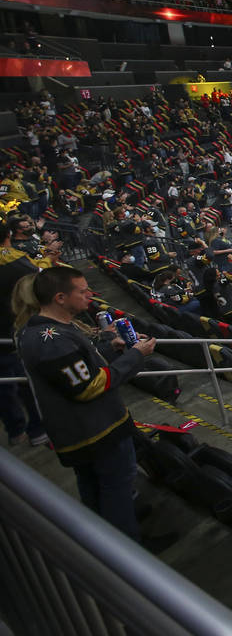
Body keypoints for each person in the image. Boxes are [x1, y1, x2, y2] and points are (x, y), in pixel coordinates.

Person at [16, 266, 157, 540]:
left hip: (80, 431)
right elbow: (87, 386)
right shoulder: (51, 341)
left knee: (95, 488)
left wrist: (109, 349)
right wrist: (136, 356)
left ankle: (109, 534)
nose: (89, 297)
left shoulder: (43, 331)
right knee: (115, 486)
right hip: (95, 432)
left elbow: (79, 369)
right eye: (82, 292)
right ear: (60, 297)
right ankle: (128, 549)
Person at [0, 220, 45, 446]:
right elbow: (40, 278)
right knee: (27, 380)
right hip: (13, 329)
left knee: (4, 386)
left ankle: (16, 430)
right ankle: (37, 429)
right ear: (8, 235)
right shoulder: (14, 260)